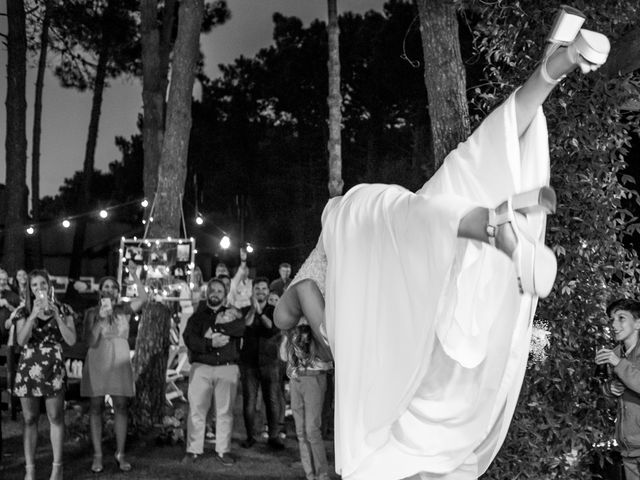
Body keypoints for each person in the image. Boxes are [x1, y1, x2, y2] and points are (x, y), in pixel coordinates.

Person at [275, 12, 610, 480]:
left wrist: (323, 325)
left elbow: (288, 313)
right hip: (415, 251)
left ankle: (492, 224)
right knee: (471, 165)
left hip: (389, 282)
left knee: (396, 212)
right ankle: (553, 69)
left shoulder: (330, 273)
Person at [80, 262, 147, 473]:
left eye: (113, 287)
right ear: (101, 291)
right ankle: (98, 454)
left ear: (118, 292)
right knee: (96, 406)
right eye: (106, 287)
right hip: (98, 358)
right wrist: (99, 320)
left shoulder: (123, 309)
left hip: (118, 358)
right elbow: (89, 342)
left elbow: (144, 299)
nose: (109, 290)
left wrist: (135, 275)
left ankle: (120, 453)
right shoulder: (91, 312)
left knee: (120, 405)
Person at [13, 269, 77, 480]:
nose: (39, 288)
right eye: (34, 285)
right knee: (30, 418)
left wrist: (57, 316)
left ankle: (57, 468)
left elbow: (71, 340)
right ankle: (30, 469)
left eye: (42, 284)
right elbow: (21, 341)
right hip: (29, 367)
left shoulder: (64, 309)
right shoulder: (23, 311)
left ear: (49, 286)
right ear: (30, 289)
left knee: (55, 417)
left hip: (53, 366)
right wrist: (32, 316)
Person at [182, 278, 245, 466]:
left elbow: (240, 329)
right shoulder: (197, 316)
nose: (215, 293)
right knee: (197, 410)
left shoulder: (233, 314)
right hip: (201, 367)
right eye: (212, 290)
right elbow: (189, 339)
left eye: (219, 290)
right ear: (207, 293)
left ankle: (223, 450)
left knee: (225, 412)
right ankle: (193, 450)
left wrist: (215, 326)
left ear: (224, 295)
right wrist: (209, 343)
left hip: (227, 367)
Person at [281, 321, 333, 480]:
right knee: (301, 432)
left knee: (312, 430)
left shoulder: (320, 328)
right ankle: (309, 474)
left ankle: (322, 474)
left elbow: (328, 359)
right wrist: (289, 338)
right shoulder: (294, 329)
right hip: (296, 380)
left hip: (314, 378)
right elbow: (284, 356)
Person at [595, 299, 640, 480]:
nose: (614, 324)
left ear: (638, 323)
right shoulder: (616, 354)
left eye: (621, 318)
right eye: (612, 319)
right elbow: (609, 399)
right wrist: (609, 389)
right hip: (628, 447)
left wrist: (618, 363)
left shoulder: (616, 359)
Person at [239, 277, 285, 450]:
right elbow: (245, 325)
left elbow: (271, 327)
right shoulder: (245, 310)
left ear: (268, 291)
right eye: (257, 288)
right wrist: (253, 310)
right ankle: (250, 436)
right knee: (249, 402)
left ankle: (273, 436)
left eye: (263, 288)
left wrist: (260, 312)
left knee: (272, 400)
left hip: (269, 362)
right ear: (252, 291)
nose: (260, 291)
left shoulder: (276, 309)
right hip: (249, 362)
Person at [0, 267, 20, 344]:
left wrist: (7, 305)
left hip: (8, 338)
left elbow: (20, 312)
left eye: (5, 280)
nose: (2, 282)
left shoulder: (13, 296)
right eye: (0, 279)